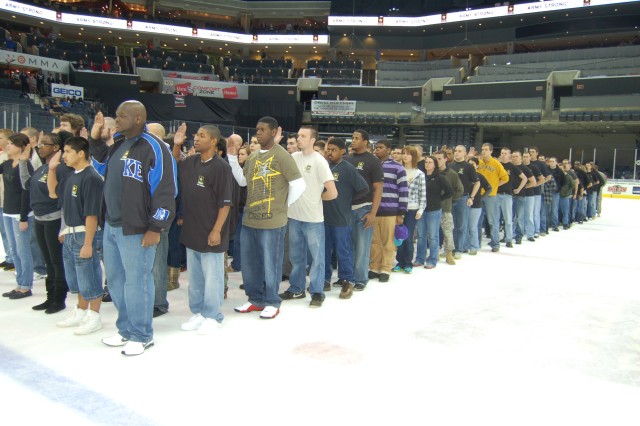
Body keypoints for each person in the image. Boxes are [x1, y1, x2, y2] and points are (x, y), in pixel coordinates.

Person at [90, 101, 177, 356]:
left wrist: (156, 227)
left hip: (139, 228)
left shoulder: (155, 147)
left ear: (138, 118)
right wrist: (96, 141)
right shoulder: (118, 143)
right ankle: (126, 329)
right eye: (116, 115)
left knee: (137, 281)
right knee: (117, 281)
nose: (116, 120)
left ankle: (142, 334)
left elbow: (166, 191)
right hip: (112, 226)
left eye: (122, 116)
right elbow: (99, 169)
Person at [227, 117, 304, 319]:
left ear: (273, 132)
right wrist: (231, 157)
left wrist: (282, 206)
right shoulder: (252, 157)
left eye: (262, 130)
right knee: (250, 263)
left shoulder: (282, 155)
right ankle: (255, 299)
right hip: (250, 220)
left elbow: (298, 184)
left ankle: (272, 301)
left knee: (272, 263)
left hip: (272, 221)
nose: (258, 133)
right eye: (257, 129)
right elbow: (243, 181)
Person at [177, 125, 232, 334]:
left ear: (214, 141)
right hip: (193, 230)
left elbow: (225, 203)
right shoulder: (191, 162)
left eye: (202, 136)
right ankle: (199, 312)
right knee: (196, 278)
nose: (196, 139)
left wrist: (217, 230)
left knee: (213, 277)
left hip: (211, 231)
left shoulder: (221, 167)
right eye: (196, 135)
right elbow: (175, 164)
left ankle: (214, 316)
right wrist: (176, 144)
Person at [279, 126, 336, 307]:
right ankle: (297, 288)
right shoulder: (293, 158)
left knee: (317, 258)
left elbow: (333, 193)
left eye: (303, 136)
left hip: (313, 220)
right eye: (298, 135)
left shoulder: (319, 161)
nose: (299, 138)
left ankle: (317, 292)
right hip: (293, 217)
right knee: (296, 257)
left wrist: (316, 199)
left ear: (312, 140)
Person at [53, 137, 104, 334]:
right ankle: (81, 311)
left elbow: (92, 214)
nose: (64, 156)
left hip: (86, 234)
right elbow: (56, 196)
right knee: (76, 278)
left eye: (67, 151)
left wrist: (88, 243)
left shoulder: (91, 178)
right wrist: (64, 229)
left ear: (81, 153)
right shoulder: (71, 176)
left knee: (89, 275)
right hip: (71, 233)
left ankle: (94, 315)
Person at [21, 132, 73, 314]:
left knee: (56, 262)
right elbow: (27, 185)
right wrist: (22, 162)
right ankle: (50, 297)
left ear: (56, 148)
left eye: (45, 144)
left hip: (54, 219)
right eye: (40, 143)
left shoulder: (61, 168)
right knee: (48, 261)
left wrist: (64, 227)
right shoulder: (43, 167)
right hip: (39, 219)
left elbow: (66, 198)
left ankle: (59, 299)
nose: (40, 146)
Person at [323, 137, 368, 299]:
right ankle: (325, 279)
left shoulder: (348, 168)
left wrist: (349, 200)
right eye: (328, 149)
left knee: (344, 251)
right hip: (322, 218)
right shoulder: (324, 166)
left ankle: (348, 280)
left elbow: (364, 188)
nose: (330, 153)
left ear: (342, 151)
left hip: (341, 218)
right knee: (324, 251)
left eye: (333, 150)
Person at [344, 130, 383, 291]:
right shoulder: (346, 159)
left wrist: (373, 212)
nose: (353, 141)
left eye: (356, 138)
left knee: (361, 247)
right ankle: (348, 277)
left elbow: (378, 188)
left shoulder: (373, 161)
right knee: (347, 246)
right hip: (345, 210)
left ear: (365, 142)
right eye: (352, 138)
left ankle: (360, 278)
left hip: (364, 209)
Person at [1, 134, 35, 299]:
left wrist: (23, 217)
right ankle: (19, 282)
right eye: (7, 143)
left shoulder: (25, 165)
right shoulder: (7, 163)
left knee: (23, 250)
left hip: (20, 213)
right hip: (7, 210)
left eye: (11, 144)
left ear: (21, 146)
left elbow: (26, 192)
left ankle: (26, 285)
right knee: (14, 250)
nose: (7, 146)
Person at [394, 146, 425, 273]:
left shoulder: (419, 174)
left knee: (408, 237)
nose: (405, 156)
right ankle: (399, 262)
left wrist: (421, 209)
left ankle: (408, 263)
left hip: (412, 208)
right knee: (398, 236)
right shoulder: (398, 171)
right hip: (398, 208)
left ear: (414, 157)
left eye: (408, 154)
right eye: (403, 153)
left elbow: (422, 193)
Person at [421, 156, 452, 269]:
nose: (427, 164)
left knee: (433, 236)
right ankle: (420, 258)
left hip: (434, 210)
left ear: (434, 164)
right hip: (421, 210)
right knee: (421, 236)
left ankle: (433, 259)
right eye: (426, 162)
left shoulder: (440, 177)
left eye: (430, 162)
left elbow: (449, 191)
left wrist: (439, 199)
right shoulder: (421, 176)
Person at [476, 143, 508, 252]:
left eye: (486, 149)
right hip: (479, 195)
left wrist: (495, 185)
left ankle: (495, 244)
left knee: (493, 220)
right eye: (482, 149)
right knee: (477, 221)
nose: (483, 151)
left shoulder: (496, 164)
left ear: (491, 151)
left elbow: (505, 178)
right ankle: (476, 243)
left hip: (491, 196)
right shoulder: (478, 163)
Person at [449, 145, 480, 257]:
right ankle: (450, 248)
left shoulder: (468, 166)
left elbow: (477, 182)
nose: (456, 153)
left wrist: (471, 197)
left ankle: (459, 249)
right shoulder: (450, 165)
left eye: (459, 151)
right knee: (450, 225)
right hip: (450, 199)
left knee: (461, 225)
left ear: (465, 153)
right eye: (455, 151)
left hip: (463, 198)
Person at [434, 150, 463, 265]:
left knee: (448, 232)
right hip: (431, 208)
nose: (437, 161)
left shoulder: (452, 174)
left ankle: (449, 254)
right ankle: (434, 253)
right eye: (435, 159)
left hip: (445, 209)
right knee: (432, 233)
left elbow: (460, 189)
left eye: (440, 159)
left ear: (446, 159)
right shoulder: (430, 172)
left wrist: (450, 199)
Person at [497, 148, 527, 248]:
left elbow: (524, 178)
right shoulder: (497, 165)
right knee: (495, 219)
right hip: (495, 194)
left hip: (507, 195)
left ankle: (509, 239)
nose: (503, 155)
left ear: (509, 155)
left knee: (508, 219)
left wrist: (518, 189)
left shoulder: (512, 167)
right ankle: (495, 239)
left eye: (505, 153)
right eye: (502, 153)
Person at [467, 157, 491, 255]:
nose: (471, 166)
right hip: (464, 204)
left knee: (473, 226)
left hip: (476, 205)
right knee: (464, 226)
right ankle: (464, 245)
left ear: (477, 165)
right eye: (469, 164)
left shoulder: (480, 176)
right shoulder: (465, 176)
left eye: (473, 164)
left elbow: (489, 188)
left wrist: (481, 198)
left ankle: (474, 246)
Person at [513, 151, 537, 243]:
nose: (515, 158)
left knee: (523, 216)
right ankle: (512, 234)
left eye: (516, 156)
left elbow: (533, 182)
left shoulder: (525, 169)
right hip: (511, 195)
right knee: (513, 217)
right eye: (513, 156)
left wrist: (522, 187)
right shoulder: (511, 167)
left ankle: (528, 234)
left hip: (523, 195)